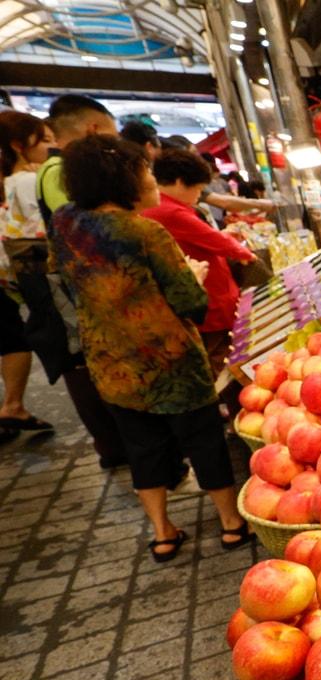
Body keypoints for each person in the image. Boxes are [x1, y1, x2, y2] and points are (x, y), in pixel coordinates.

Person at [49, 135, 252, 561]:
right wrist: (194, 277)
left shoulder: (66, 222)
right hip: (170, 361)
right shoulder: (145, 231)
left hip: (111, 362)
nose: (150, 177)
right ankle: (231, 525)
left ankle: (162, 532)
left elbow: (71, 282)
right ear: (123, 178)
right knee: (203, 440)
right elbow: (190, 303)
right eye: (144, 169)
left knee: (141, 446)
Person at [31, 94, 129, 468]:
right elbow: (82, 233)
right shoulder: (59, 171)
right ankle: (113, 447)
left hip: (85, 287)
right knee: (84, 362)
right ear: (94, 129)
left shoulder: (53, 168)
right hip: (85, 291)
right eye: (111, 132)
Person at [143, 149, 257, 379]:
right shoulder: (170, 211)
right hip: (210, 299)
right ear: (178, 182)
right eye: (196, 188)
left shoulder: (164, 207)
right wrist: (245, 254)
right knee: (222, 362)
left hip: (206, 296)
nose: (199, 194)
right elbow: (213, 240)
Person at [0, 110, 56, 439]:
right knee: (16, 338)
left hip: (12, 273)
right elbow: (46, 227)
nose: (51, 147)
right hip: (36, 270)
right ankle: (12, 406)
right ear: (20, 145)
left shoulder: (6, 180)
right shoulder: (28, 181)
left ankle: (12, 405)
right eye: (44, 140)